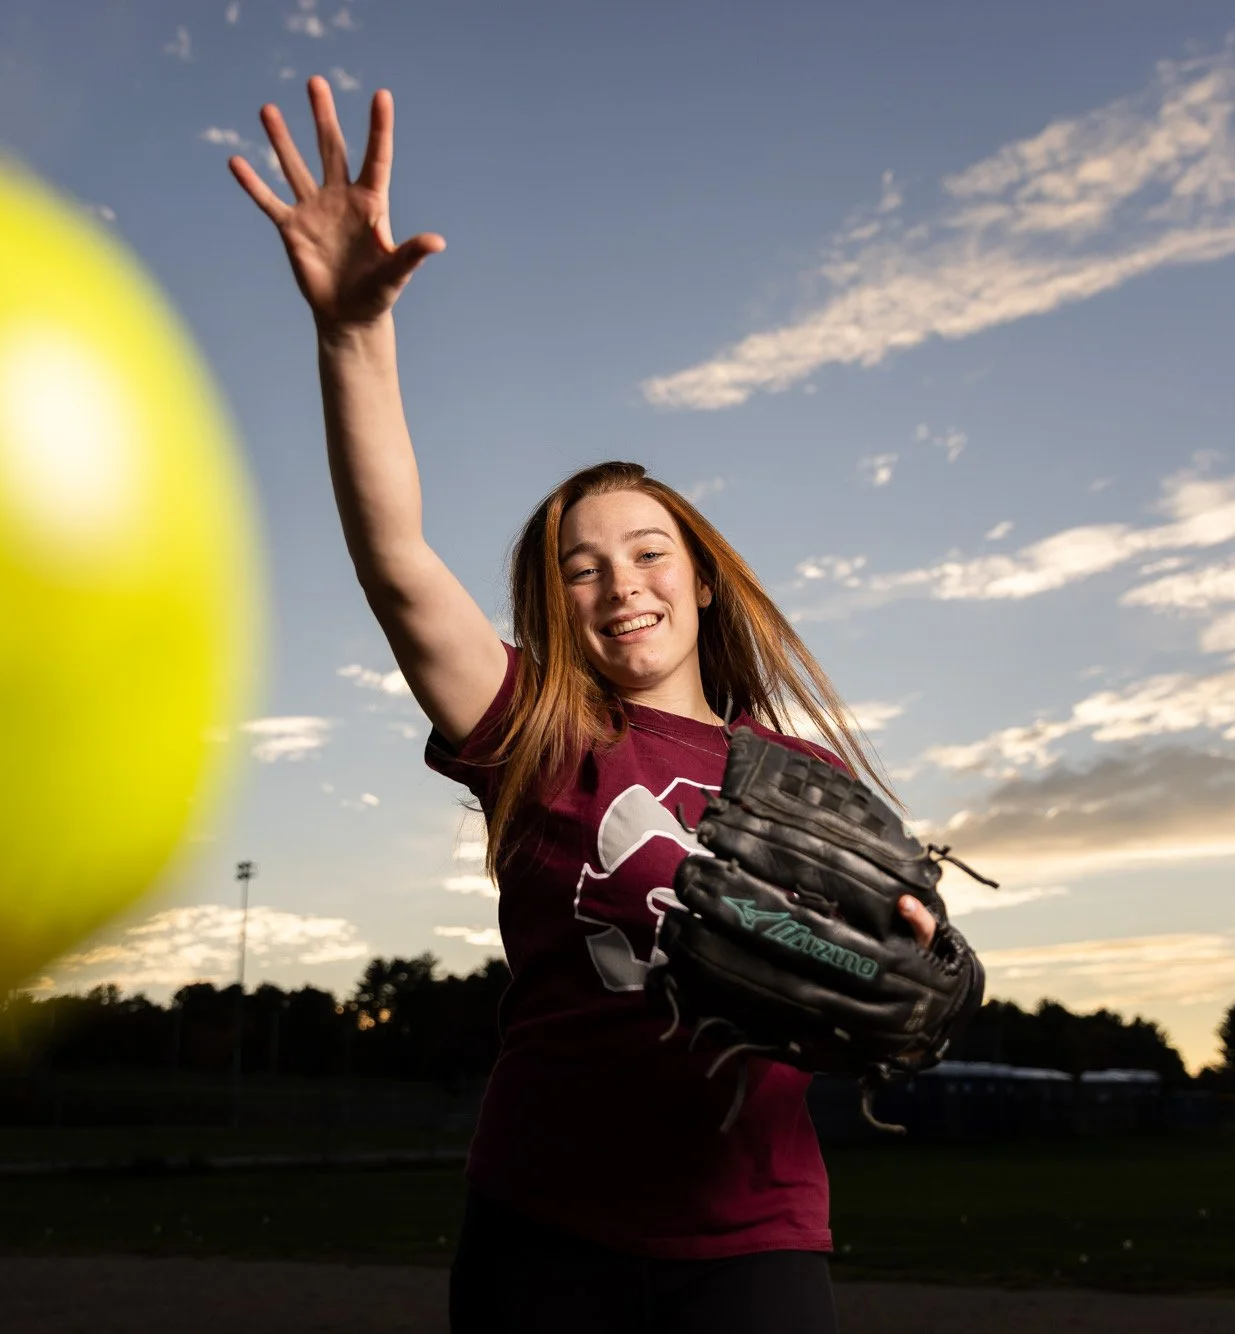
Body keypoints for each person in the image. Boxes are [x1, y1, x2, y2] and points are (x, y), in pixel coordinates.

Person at [229, 76, 939, 1334]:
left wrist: (909, 953)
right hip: (549, 1227)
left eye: (650, 551)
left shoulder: (795, 778)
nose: (621, 582)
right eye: (581, 563)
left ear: (702, 578)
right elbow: (398, 567)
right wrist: (352, 335)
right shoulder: (536, 733)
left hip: (752, 1232)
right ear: (557, 602)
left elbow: (872, 964)